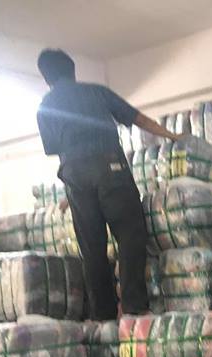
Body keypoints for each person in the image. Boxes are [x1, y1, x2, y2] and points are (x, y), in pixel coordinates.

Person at [36, 48, 181, 320]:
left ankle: (103, 316)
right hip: (109, 167)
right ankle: (134, 308)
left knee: (92, 247)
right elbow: (137, 118)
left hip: (75, 176)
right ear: (72, 70)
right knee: (130, 233)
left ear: (46, 78)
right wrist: (172, 136)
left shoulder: (45, 107)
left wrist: (75, 185)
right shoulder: (96, 92)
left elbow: (54, 149)